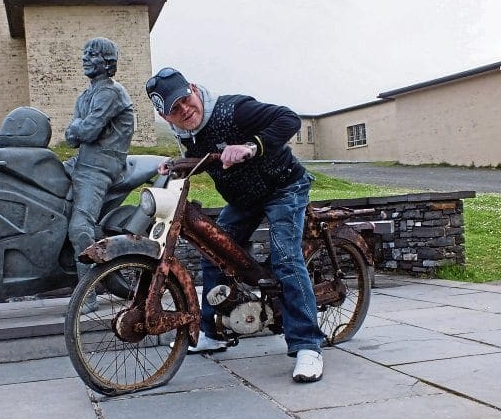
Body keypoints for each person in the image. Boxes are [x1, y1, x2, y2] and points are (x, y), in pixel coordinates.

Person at [146, 67, 325, 382]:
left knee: (286, 257)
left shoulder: (234, 109)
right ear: (165, 117)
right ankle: (212, 332)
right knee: (212, 248)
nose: (184, 109)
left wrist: (251, 146)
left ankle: (308, 345)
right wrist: (178, 165)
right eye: (174, 109)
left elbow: (289, 119)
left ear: (193, 88)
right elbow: (204, 157)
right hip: (245, 199)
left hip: (283, 187)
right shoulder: (188, 132)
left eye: (185, 99)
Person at [64, 37, 134, 312]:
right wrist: (78, 130)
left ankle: (89, 294)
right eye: (84, 53)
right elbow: (72, 136)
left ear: (107, 62)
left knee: (79, 226)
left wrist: (79, 129)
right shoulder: (86, 95)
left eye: (91, 54)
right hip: (82, 160)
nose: (85, 58)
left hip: (100, 165)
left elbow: (86, 131)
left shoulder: (110, 93)